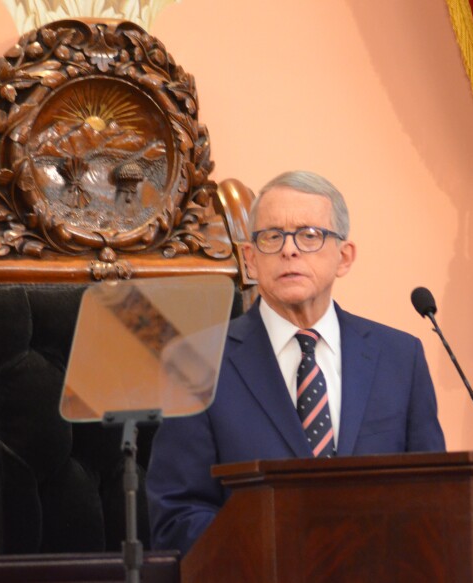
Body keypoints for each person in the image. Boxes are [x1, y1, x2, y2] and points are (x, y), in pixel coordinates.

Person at [146, 170, 445, 553]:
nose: (289, 250)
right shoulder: (196, 362)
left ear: (344, 256)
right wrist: (283, 550)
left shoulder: (400, 359)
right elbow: (177, 515)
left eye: (309, 235)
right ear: (251, 260)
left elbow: (435, 497)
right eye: (272, 237)